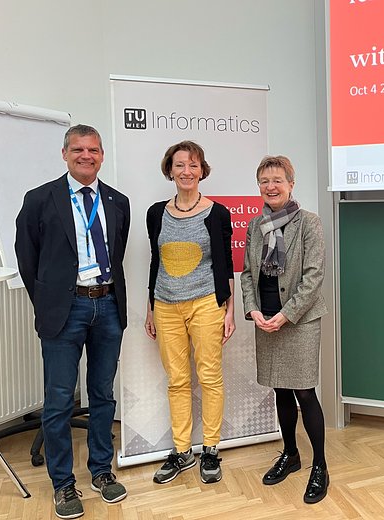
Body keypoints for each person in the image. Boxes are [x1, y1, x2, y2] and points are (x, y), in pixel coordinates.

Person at [15, 124, 130, 519]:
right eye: (78, 149)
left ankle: (101, 471)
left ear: (102, 155)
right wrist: (49, 302)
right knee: (60, 399)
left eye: (94, 150)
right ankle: (63, 484)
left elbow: (118, 251)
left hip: (108, 307)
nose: (87, 156)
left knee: (102, 395)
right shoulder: (39, 199)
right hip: (65, 310)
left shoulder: (117, 201)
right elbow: (27, 260)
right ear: (64, 153)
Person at [144, 140, 235, 485]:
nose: (187, 171)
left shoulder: (218, 213)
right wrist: (151, 305)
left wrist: (229, 309)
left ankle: (210, 449)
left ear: (202, 171)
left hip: (206, 303)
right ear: (170, 169)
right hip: (165, 305)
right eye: (180, 165)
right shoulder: (156, 213)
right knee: (177, 380)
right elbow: (157, 260)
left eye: (193, 165)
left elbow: (225, 262)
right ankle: (182, 451)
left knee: (209, 377)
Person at [241, 155, 330, 504]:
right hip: (266, 317)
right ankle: (291, 454)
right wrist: (253, 308)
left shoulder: (309, 223)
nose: (271, 186)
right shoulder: (254, 226)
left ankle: (319, 465)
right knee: (279, 389)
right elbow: (249, 274)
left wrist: (287, 314)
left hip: (300, 320)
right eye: (264, 181)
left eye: (278, 179)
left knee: (304, 392)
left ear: (291, 184)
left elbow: (313, 276)